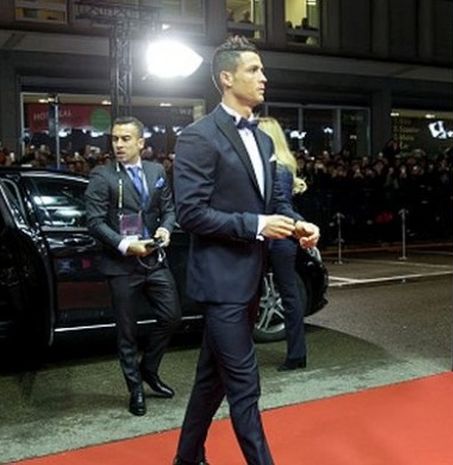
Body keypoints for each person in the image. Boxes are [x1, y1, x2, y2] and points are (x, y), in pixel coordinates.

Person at [172, 35, 320, 465]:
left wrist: (298, 227)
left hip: (251, 280)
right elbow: (191, 214)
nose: (263, 77)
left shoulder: (265, 140)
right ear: (226, 77)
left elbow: (276, 205)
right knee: (243, 385)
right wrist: (256, 226)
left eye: (262, 69)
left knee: (209, 382)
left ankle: (185, 459)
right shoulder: (198, 137)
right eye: (254, 70)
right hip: (221, 283)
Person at [85, 116, 181, 416]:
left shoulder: (156, 171)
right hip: (121, 265)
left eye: (126, 139)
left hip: (154, 259)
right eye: (115, 138)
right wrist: (125, 245)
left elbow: (168, 208)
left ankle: (148, 370)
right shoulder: (103, 176)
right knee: (126, 332)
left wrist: (167, 228)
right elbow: (95, 222)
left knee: (172, 317)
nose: (118, 144)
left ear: (141, 142)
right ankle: (135, 388)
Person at [258, 117, 309, 371]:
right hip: (277, 238)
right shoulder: (280, 167)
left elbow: (282, 207)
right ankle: (297, 353)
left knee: (287, 296)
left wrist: (301, 225)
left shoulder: (277, 169)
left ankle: (297, 354)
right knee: (287, 295)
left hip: (276, 239)